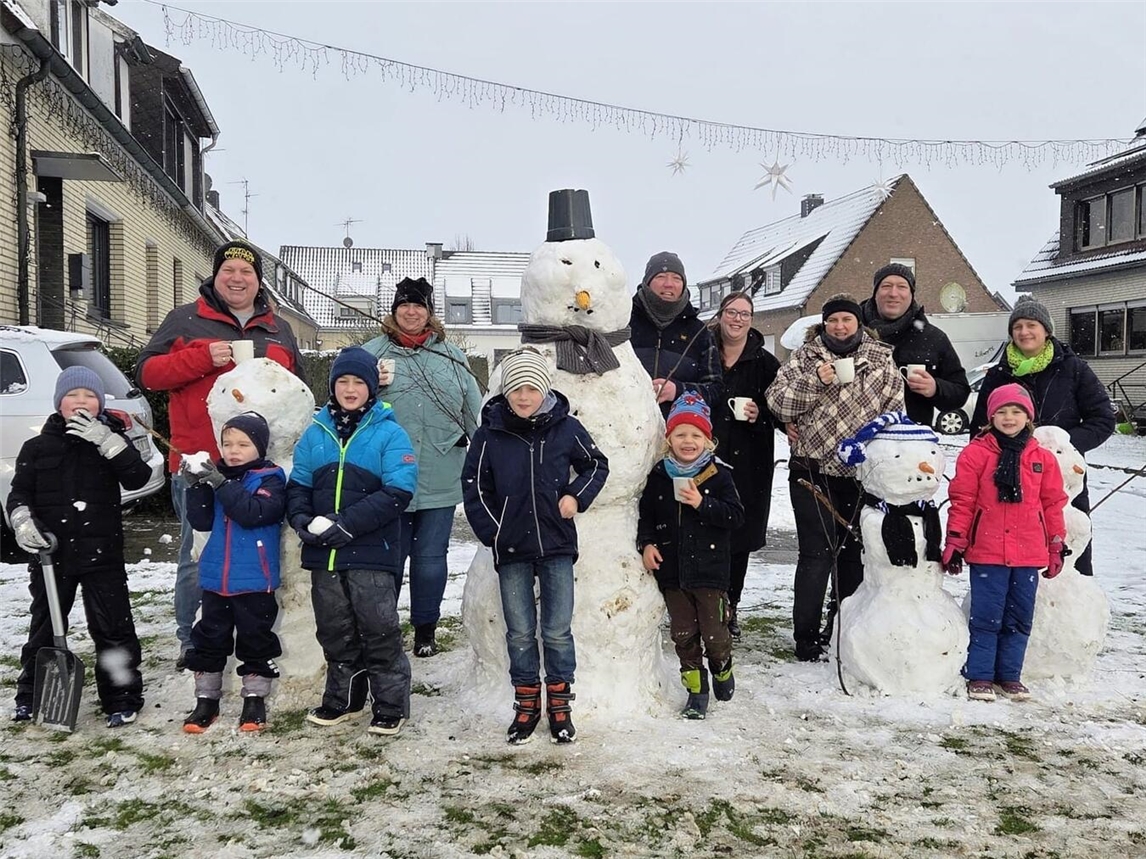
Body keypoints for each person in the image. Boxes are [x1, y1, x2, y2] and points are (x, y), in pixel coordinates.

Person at [136, 240, 305, 668]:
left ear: (258, 281)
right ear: (214, 276)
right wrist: (199, 357)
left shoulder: (278, 328)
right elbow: (147, 374)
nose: (237, 278)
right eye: (228, 269)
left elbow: (299, 391)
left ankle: (258, 630)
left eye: (246, 272)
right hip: (201, 461)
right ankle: (192, 638)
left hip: (263, 468)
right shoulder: (186, 320)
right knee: (198, 551)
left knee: (264, 546)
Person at [461, 348, 609, 745]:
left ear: (543, 390)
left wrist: (576, 496)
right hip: (510, 549)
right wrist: (495, 531)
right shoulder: (489, 434)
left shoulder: (567, 428)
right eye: (516, 390)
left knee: (558, 630)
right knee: (521, 631)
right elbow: (475, 485)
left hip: (557, 544)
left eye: (531, 389)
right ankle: (526, 704)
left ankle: (560, 706)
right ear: (506, 392)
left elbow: (596, 464)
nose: (523, 397)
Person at [286, 347, 418, 736]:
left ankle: (390, 703)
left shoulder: (390, 433)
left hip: (372, 551)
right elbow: (299, 485)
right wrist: (302, 521)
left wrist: (346, 524)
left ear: (371, 387)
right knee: (334, 628)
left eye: (358, 382)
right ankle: (344, 699)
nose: (349, 388)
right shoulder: (316, 433)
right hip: (324, 553)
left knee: (378, 627)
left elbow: (399, 490)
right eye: (342, 381)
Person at [766, 294, 905, 662]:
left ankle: (842, 628)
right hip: (810, 470)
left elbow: (894, 414)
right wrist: (815, 381)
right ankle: (806, 638)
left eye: (847, 320)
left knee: (851, 555)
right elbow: (778, 404)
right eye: (833, 321)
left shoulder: (881, 361)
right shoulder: (804, 359)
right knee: (815, 555)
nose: (840, 327)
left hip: (860, 476)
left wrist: (869, 447)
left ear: (859, 324)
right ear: (824, 324)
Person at [8, 367, 149, 727]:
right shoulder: (37, 447)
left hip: (102, 552)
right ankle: (32, 695)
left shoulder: (110, 441)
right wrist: (23, 520)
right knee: (44, 627)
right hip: (52, 556)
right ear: (59, 403)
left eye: (90, 396)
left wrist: (109, 442)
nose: (82, 402)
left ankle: (121, 695)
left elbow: (138, 476)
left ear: (100, 404)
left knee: (112, 627)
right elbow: (19, 493)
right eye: (73, 396)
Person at [362, 276, 482, 658]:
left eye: (419, 306)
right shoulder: (371, 353)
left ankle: (425, 630)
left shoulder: (452, 355)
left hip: (440, 469)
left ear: (430, 313)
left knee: (431, 559)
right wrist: (370, 386)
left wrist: (484, 455)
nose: (411, 312)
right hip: (387, 475)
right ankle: (384, 628)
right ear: (393, 310)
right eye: (404, 305)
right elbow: (347, 404)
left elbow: (473, 410)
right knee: (389, 559)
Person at [969, 295, 1114, 576]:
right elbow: (979, 429)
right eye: (1018, 326)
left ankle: (1075, 604)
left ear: (1046, 330)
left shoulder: (1073, 369)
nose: (1024, 332)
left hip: (1063, 479)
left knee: (1071, 545)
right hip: (1011, 477)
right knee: (1015, 551)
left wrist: (1062, 447)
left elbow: (1103, 419)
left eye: (1031, 325)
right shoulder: (1000, 374)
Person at [943, 383, 1068, 701]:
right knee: (987, 616)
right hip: (987, 550)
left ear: (1028, 418)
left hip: (1029, 552)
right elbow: (963, 500)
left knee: (1020, 616)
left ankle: (1009, 675)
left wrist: (1055, 544)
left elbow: (1053, 505)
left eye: (1016, 412)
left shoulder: (1042, 459)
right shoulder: (976, 453)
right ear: (990, 417)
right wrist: (956, 540)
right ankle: (980, 675)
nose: (1009, 418)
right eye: (1001, 411)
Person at [638, 393, 744, 719]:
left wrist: (702, 504)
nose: (688, 441)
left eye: (696, 435)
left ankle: (722, 667)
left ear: (708, 441)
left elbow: (735, 517)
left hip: (710, 571)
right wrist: (648, 544)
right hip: (673, 572)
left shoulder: (718, 475)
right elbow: (646, 516)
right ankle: (696, 691)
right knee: (683, 635)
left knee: (715, 633)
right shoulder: (659, 475)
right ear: (668, 439)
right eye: (681, 434)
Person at [180, 412, 287, 734]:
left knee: (256, 639)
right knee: (209, 638)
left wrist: (219, 483)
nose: (233, 450)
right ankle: (206, 699)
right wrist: (196, 486)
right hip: (215, 578)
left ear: (260, 447)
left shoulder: (270, 478)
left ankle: (254, 698)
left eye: (243, 443)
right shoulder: (217, 476)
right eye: (227, 443)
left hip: (254, 579)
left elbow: (252, 513)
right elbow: (200, 521)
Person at [709, 291, 781, 638]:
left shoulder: (765, 363)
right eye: (732, 312)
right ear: (721, 315)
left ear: (752, 320)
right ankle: (703, 604)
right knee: (702, 530)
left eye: (745, 314)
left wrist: (760, 413)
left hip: (749, 462)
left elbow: (782, 410)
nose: (737, 319)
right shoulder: (702, 353)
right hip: (702, 456)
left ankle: (729, 607)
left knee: (738, 535)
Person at [860, 263, 969, 427]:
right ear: (875, 293)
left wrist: (935, 388)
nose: (893, 293)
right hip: (856, 440)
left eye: (902, 287)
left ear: (911, 294)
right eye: (886, 286)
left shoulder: (933, 338)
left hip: (909, 441)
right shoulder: (850, 332)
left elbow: (960, 392)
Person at [629, 251, 722, 416]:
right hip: (627, 426)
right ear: (647, 282)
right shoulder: (624, 322)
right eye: (661, 276)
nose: (669, 284)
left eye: (676, 278)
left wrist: (678, 390)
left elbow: (715, 390)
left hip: (678, 434)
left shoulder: (699, 332)